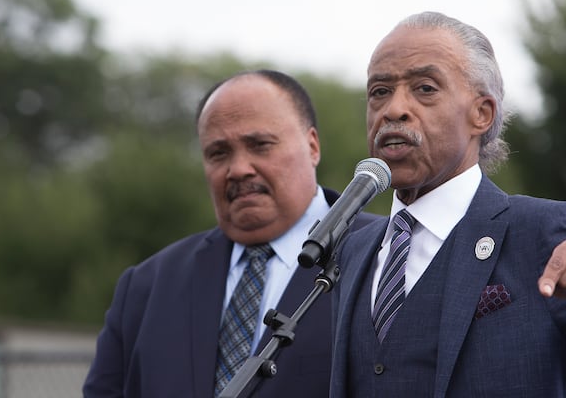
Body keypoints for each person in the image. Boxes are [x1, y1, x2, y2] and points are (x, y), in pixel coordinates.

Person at [329, 11, 566, 397]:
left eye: (425, 88)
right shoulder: (355, 248)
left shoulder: (540, 232)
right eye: (379, 91)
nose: (394, 109)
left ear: (482, 114)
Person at [83, 69, 380, 397]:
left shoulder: (388, 257)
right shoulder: (146, 286)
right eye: (218, 153)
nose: (238, 169)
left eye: (260, 145)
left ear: (312, 146)